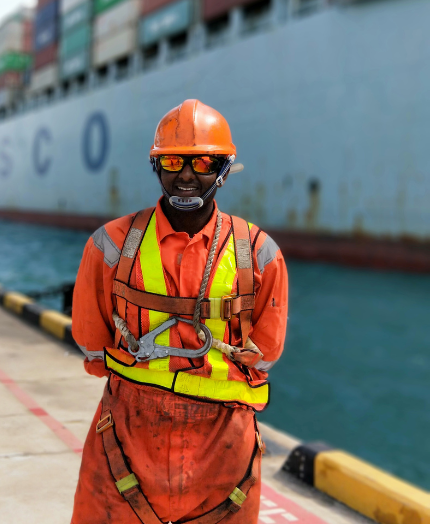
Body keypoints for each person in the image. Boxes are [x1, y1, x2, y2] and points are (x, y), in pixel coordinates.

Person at [70, 99, 288, 524]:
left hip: (209, 448)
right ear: (157, 166)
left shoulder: (261, 255)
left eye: (203, 162)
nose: (187, 175)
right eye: (172, 160)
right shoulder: (106, 246)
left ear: (224, 170)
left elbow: (94, 351)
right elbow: (265, 356)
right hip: (132, 440)